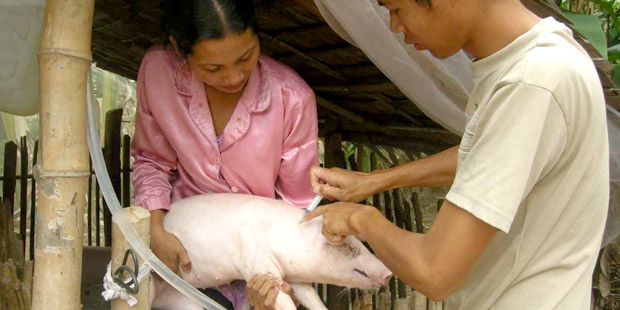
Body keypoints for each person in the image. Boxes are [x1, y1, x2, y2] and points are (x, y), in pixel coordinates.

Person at [296, 0, 609, 309]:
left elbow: (433, 271)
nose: (394, 26)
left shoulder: (532, 82)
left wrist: (359, 217)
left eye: (396, 9)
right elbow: (488, 156)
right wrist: (375, 181)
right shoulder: (542, 57)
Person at [130, 0, 318, 308]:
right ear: (179, 47)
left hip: (263, 261)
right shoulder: (157, 73)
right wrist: (155, 229)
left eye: (246, 57)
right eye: (212, 68)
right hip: (184, 250)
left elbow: (297, 208)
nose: (233, 77)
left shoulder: (293, 99)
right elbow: (152, 160)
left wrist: (271, 281)